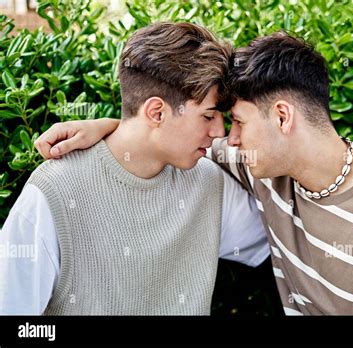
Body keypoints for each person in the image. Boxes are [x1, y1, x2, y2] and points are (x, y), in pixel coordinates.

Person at [31, 32, 353, 315]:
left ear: (283, 118)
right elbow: (166, 133)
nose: (226, 139)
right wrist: (108, 129)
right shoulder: (265, 167)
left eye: (237, 122)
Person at [0, 22, 270, 315]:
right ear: (157, 112)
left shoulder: (209, 185)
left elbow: (285, 239)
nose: (220, 132)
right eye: (208, 116)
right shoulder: (53, 193)